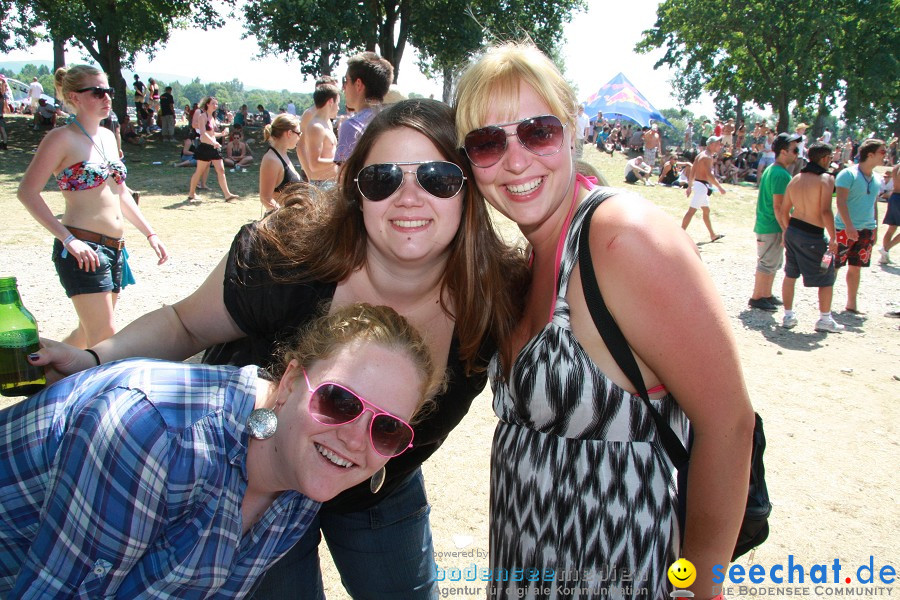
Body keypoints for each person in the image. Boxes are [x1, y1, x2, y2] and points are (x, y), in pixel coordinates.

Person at [29, 98, 529, 600]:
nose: (408, 198)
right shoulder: (287, 257)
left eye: (437, 178)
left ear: (467, 191)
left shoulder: (496, 299)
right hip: (263, 484)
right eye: (383, 179)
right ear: (357, 192)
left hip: (379, 486)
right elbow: (182, 324)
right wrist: (93, 359)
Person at [454, 42, 754, 599]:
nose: (516, 160)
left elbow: (729, 425)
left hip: (620, 568)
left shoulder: (621, 238)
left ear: (572, 129)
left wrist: (700, 587)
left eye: (538, 131)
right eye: (488, 142)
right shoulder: (530, 257)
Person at [0, 303, 439, 598]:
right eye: (339, 401)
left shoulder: (305, 477)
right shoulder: (151, 432)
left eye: (387, 429)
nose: (354, 439)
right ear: (288, 383)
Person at [16, 65, 168, 349]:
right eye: (97, 92)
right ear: (74, 97)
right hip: (82, 248)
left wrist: (151, 234)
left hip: (114, 247)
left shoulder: (108, 136)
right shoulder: (60, 138)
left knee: (87, 335)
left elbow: (120, 192)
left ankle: (45, 375)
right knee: (105, 337)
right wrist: (68, 239)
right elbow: (26, 192)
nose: (106, 98)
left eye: (107, 91)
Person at [779, 143, 843, 333]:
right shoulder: (826, 179)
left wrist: (786, 231)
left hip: (793, 231)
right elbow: (825, 211)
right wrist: (833, 238)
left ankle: (788, 315)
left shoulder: (795, 179)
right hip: (813, 235)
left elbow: (784, 211)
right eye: (830, 158)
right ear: (824, 159)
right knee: (827, 272)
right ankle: (824, 318)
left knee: (790, 273)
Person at [748, 132, 801, 312]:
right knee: (767, 262)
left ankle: (766, 294)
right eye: (794, 150)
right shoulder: (779, 174)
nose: (797, 153)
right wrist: (786, 229)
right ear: (783, 151)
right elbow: (778, 206)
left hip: (770, 224)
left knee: (773, 262)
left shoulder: (775, 170)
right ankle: (757, 296)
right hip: (772, 225)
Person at [834, 138, 886, 314]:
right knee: (834, 265)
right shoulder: (848, 174)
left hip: (866, 229)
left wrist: (875, 228)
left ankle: (851, 304)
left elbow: (874, 204)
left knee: (856, 267)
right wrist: (849, 226)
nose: (885, 156)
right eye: (882, 152)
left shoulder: (877, 178)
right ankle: (825, 305)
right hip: (843, 228)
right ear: (870, 154)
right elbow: (840, 202)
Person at [334, 51, 394, 164]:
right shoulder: (395, 121)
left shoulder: (352, 126)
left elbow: (344, 177)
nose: (343, 88)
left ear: (358, 84)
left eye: (345, 81)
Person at [188, 96, 239, 202]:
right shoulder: (203, 116)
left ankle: (227, 195)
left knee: (221, 170)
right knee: (199, 171)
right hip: (205, 148)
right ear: (207, 104)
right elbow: (203, 134)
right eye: (213, 103)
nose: (215, 106)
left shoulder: (213, 118)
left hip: (214, 147)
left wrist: (221, 134)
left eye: (216, 104)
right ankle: (191, 194)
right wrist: (214, 142)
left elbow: (212, 133)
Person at [683, 135, 726, 241]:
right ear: (711, 145)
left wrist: (690, 186)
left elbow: (693, 170)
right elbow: (708, 175)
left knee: (706, 210)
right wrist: (719, 187)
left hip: (700, 186)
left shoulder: (701, 155)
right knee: (691, 211)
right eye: (717, 144)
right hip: (701, 187)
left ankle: (712, 235)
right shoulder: (707, 157)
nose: (719, 146)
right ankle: (680, 234)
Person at [259, 113, 303, 212]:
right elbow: (265, 198)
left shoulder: (282, 155)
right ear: (289, 133)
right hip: (281, 223)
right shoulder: (271, 159)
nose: (299, 137)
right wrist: (285, 216)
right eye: (299, 133)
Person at [302, 82, 340, 187]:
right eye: (338, 103)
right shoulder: (316, 127)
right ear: (331, 102)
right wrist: (341, 161)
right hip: (322, 185)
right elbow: (314, 164)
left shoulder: (326, 123)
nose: (338, 108)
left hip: (331, 183)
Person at [878, 163, 900, 264]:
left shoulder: (896, 167)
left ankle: (884, 257)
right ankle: (885, 248)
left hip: (894, 196)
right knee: (892, 228)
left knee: (892, 228)